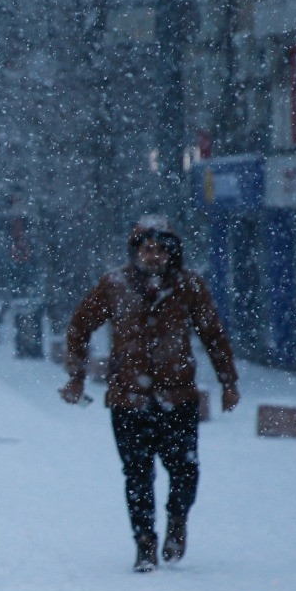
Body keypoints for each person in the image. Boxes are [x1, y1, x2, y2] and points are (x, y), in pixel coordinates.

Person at [60, 216, 240, 572]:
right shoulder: (114, 285)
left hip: (178, 397)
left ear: (172, 253)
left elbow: (212, 334)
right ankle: (144, 543)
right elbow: (80, 325)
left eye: (159, 250)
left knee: (185, 470)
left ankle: (176, 521)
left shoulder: (188, 286)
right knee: (138, 475)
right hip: (129, 400)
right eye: (146, 249)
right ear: (135, 252)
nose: (153, 256)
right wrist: (76, 376)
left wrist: (228, 381)